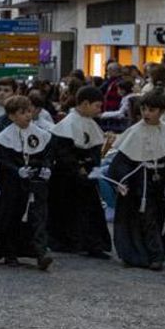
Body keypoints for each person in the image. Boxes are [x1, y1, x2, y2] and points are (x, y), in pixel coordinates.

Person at [106, 89, 165, 272]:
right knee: (147, 219)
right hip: (140, 183)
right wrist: (121, 181)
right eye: (144, 109)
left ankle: (149, 253)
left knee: (157, 217)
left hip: (160, 182)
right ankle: (156, 255)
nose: (146, 114)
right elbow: (121, 162)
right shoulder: (134, 132)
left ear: (161, 111)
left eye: (152, 110)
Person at [0, 95, 55, 270]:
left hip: (35, 183)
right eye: (22, 112)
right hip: (14, 185)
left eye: (28, 111)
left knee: (38, 217)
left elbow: (46, 154)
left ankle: (41, 253)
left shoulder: (40, 134)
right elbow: (2, 160)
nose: (27, 115)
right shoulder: (4, 137)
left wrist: (46, 167)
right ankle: (10, 253)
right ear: (12, 116)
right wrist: (16, 170)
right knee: (12, 218)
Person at [47, 86, 111, 258]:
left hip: (86, 177)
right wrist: (78, 167)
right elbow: (62, 152)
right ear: (85, 104)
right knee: (67, 211)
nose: (99, 110)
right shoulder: (67, 124)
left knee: (90, 211)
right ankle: (68, 242)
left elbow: (94, 149)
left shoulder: (92, 124)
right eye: (97, 106)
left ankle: (92, 244)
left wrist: (92, 167)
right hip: (67, 179)